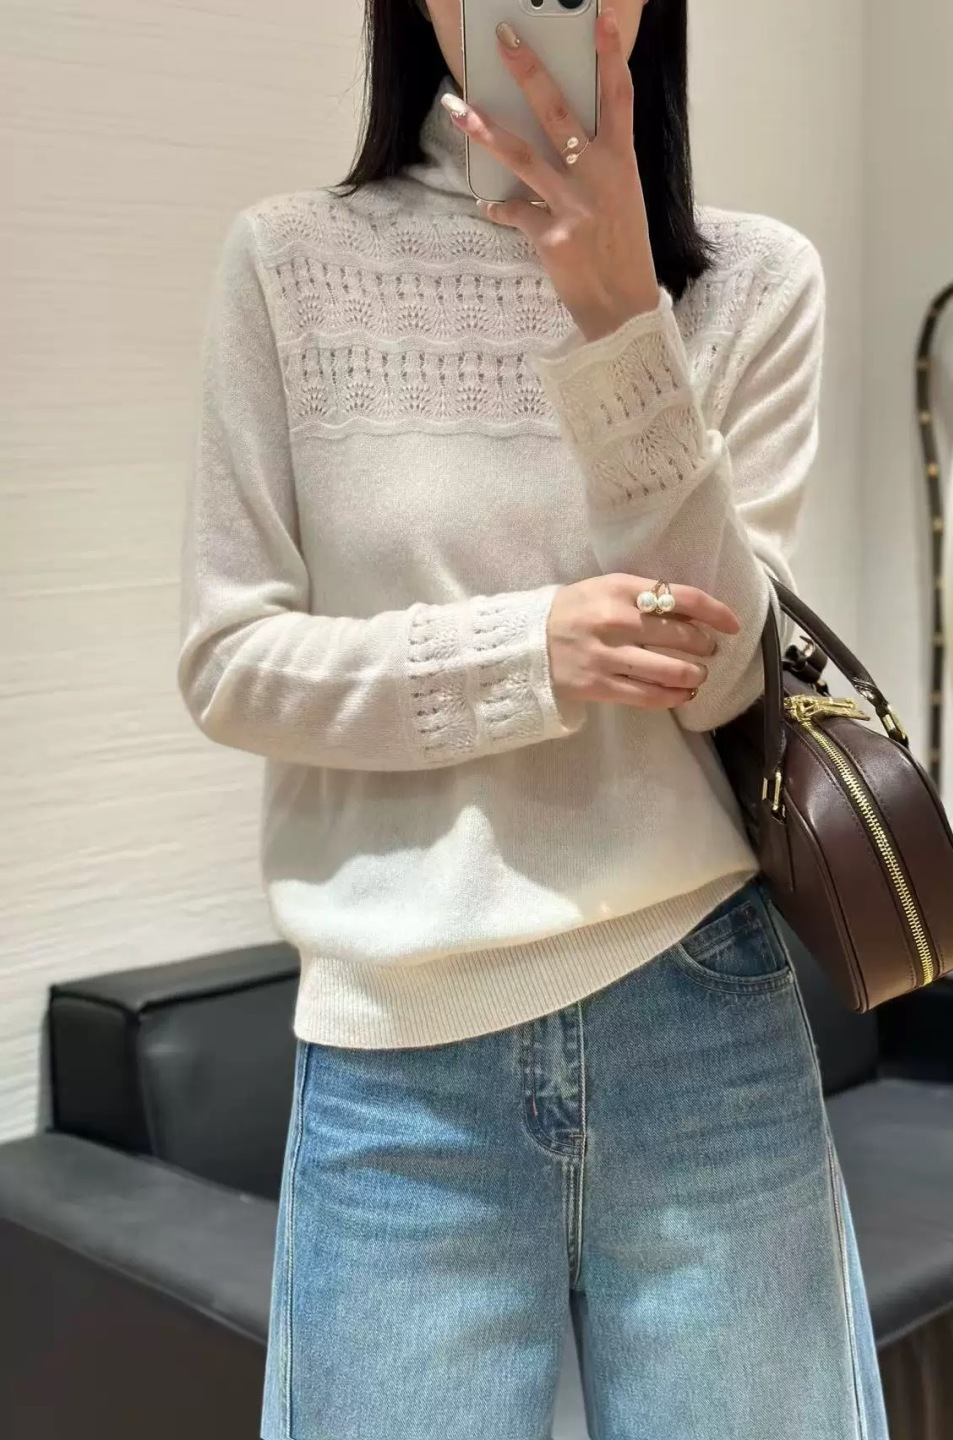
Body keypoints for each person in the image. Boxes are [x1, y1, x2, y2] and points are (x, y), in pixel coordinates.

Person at [177, 0, 889, 1435]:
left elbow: (731, 678)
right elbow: (232, 663)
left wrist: (622, 319)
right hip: (399, 1064)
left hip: (703, 1017)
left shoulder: (755, 279)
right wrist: (529, 653)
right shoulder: (290, 264)